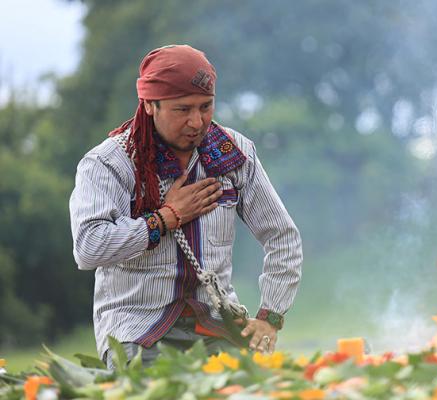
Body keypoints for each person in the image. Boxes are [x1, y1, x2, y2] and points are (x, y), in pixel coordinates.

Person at [69, 45, 303, 367]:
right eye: (182, 110)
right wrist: (166, 218)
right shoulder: (109, 163)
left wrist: (270, 316)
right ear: (150, 105)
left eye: (206, 106)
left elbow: (283, 238)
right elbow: (88, 247)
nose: (197, 121)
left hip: (217, 325)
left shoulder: (235, 154)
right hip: (137, 329)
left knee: (258, 386)